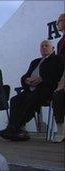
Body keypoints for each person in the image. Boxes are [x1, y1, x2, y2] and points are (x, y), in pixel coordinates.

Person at [0, 40, 64, 141]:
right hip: (31, 89)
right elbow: (26, 74)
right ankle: (15, 129)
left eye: (46, 46)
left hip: (47, 90)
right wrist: (26, 80)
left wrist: (41, 79)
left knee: (31, 98)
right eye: (42, 46)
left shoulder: (58, 59)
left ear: (53, 48)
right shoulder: (35, 61)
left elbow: (57, 76)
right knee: (15, 100)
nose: (44, 48)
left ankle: (13, 128)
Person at [51, 13, 65, 143]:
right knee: (57, 95)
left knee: (59, 93)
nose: (58, 23)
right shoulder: (61, 41)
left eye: (59, 20)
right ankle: (61, 129)